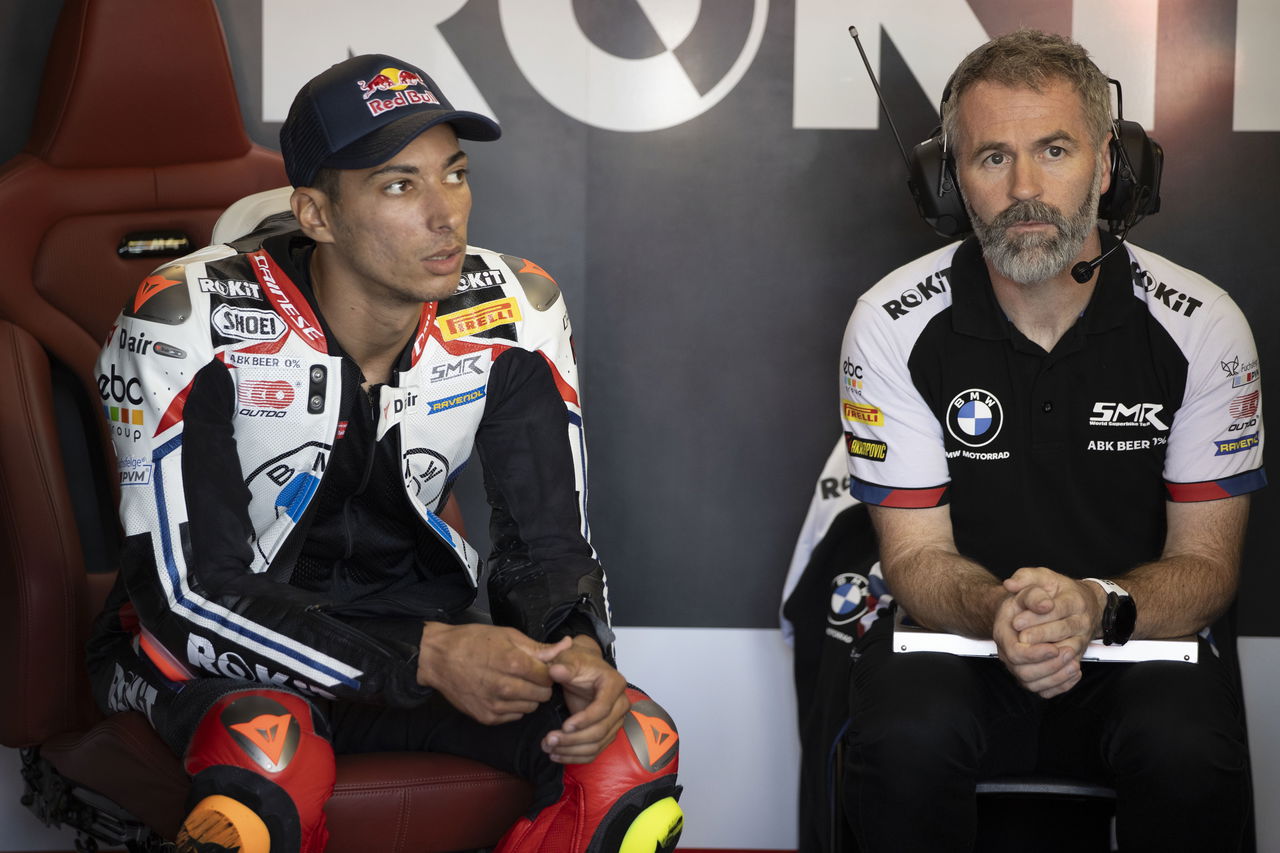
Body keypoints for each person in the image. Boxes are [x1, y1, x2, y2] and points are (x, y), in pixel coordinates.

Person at [87, 53, 683, 853]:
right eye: (400, 185)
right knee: (268, 751)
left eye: (455, 174)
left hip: (409, 635)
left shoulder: (515, 310)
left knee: (631, 744)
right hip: (210, 651)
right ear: (317, 214)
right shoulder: (187, 318)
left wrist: (577, 645)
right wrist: (427, 656)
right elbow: (190, 596)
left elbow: (548, 548)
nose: (446, 215)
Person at [837, 29, 1263, 852]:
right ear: (947, 180)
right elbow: (916, 558)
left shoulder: (1204, 326)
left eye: (1055, 150)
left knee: (1187, 749)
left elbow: (1208, 567)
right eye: (992, 157)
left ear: (1108, 166)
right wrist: (999, 609)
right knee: (902, 736)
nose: (1025, 189)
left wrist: (1096, 605)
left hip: (1137, 643)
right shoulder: (889, 321)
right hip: (959, 644)